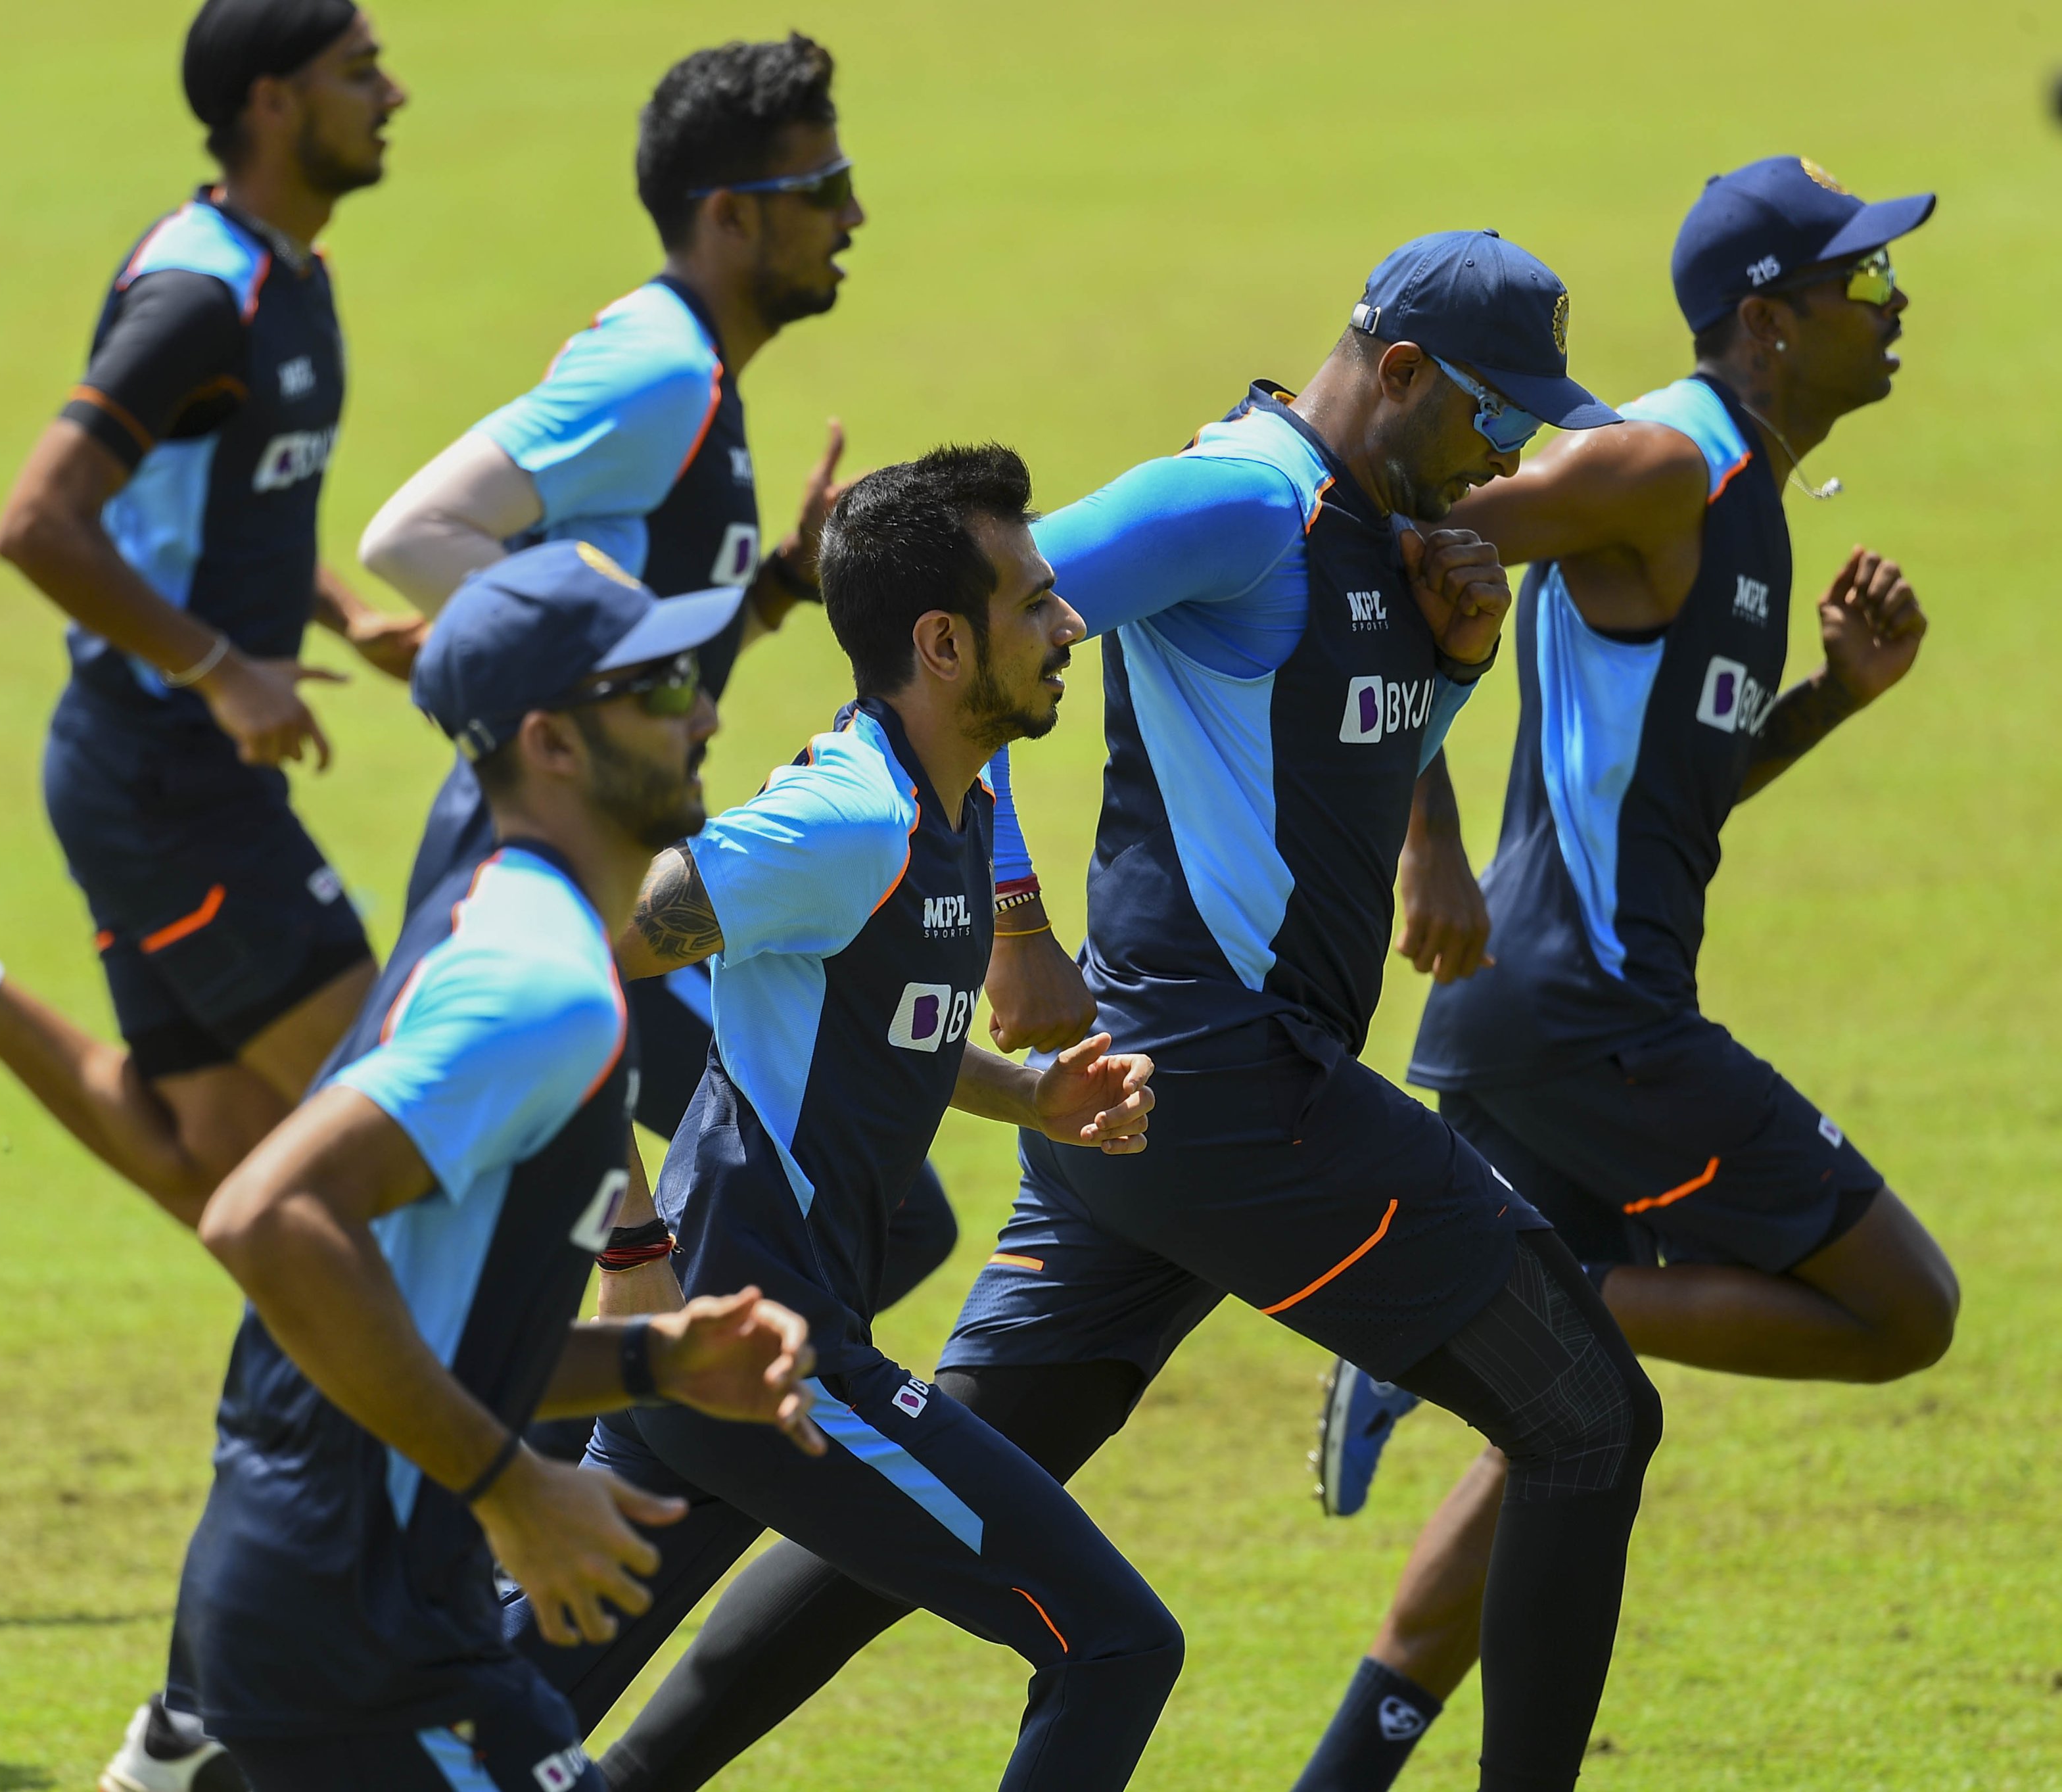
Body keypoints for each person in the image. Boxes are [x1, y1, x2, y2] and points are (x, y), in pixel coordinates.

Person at [584, 232, 1663, 1792]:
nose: (1507, 461)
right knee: (1584, 1416)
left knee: (908, 1500)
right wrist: (1014, 925)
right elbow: (952, 656)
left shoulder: (1390, 535)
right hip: (1232, 1081)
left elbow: (1329, 746)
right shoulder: (1237, 499)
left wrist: (1462, 659)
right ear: (1403, 375)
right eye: (1495, 421)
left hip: (1134, 1106)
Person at [1292, 158, 1956, 1792]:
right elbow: (1378, 535)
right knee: (1902, 1311)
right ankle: (1494, 1315)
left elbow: (1668, 788)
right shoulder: (1657, 459)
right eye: (1860, 285)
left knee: (1561, 1430)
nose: (1891, 310)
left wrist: (1827, 705)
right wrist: (1417, 837)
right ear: (1766, 318)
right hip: (1590, 1021)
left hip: (1552, 1022)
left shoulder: (1728, 486)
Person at [356, 32, 1077, 1318]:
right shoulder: (657, 370)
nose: (852, 215)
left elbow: (630, 647)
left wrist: (765, 597)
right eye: (823, 188)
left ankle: (619, 1468)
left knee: (877, 1222)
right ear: (730, 217)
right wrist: (527, 668)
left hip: (608, 853)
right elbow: (411, 537)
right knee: (534, 1303)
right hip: (552, 868)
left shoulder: (699, 387)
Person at [508, 446, 1181, 1792]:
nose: (1069, 627)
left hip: (724, 1350)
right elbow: (542, 964)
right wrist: (626, 1241)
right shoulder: (843, 819)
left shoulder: (947, 804)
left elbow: (871, 1034)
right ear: (940, 643)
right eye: (1036, 604)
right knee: (1112, 1640)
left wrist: (1028, 1096)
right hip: (763, 1350)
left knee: (489, 1717)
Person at [0, 0, 424, 1235]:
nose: (394, 96)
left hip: (157, 772)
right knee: (401, 1122)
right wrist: (224, 669)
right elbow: (39, 522)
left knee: (210, 1156)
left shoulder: (289, 273)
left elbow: (214, 502)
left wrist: (342, 616)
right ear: (272, 102)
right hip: (165, 780)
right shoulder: (198, 300)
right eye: (360, 73)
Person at [160, 540, 826, 1792]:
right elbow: (264, 1216)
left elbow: (439, 1323)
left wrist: (654, 1358)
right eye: (663, 690)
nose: (711, 711)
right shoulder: (540, 984)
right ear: (554, 744)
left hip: (355, 1598)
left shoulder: (518, 923)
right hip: (353, 1621)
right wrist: (511, 1482)